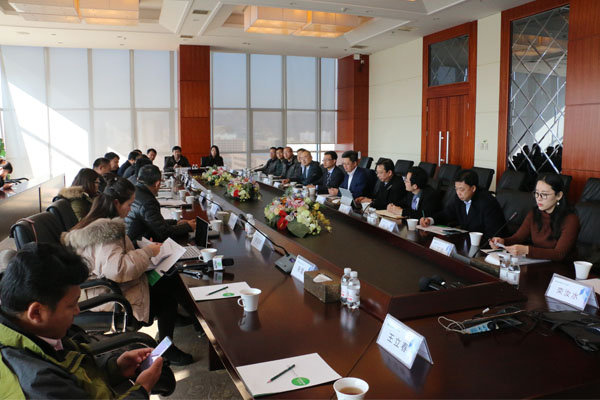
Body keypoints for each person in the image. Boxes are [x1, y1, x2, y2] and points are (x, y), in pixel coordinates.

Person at [0, 242, 163, 398]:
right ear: (36, 313)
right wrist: (142, 389)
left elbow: (77, 374)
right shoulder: (40, 385)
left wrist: (115, 368)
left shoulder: (36, 333)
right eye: (71, 305)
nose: (78, 311)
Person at [62, 178, 194, 364]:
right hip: (106, 296)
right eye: (130, 204)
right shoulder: (108, 231)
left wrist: (142, 250)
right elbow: (118, 270)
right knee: (166, 295)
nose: (131, 209)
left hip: (100, 288)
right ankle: (169, 347)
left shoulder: (97, 223)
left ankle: (178, 334)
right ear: (116, 203)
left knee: (167, 283)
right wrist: (148, 252)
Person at [490, 173, 580, 261]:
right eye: (536, 193)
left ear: (559, 195)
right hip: (538, 263)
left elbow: (559, 254)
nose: (539, 198)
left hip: (562, 267)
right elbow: (518, 238)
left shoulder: (570, 219)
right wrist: (502, 242)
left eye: (544, 194)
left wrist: (527, 250)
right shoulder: (534, 213)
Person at [420, 169, 505, 239]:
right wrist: (430, 220)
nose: (458, 193)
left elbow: (493, 233)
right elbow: (447, 214)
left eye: (462, 189)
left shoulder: (487, 203)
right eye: (456, 189)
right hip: (467, 241)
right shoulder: (459, 198)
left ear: (473, 188)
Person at [126, 165, 196, 242]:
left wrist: (176, 222)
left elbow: (154, 222)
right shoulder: (148, 202)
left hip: (129, 238)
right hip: (136, 244)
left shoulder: (134, 191)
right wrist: (189, 227)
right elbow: (164, 233)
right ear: (157, 184)